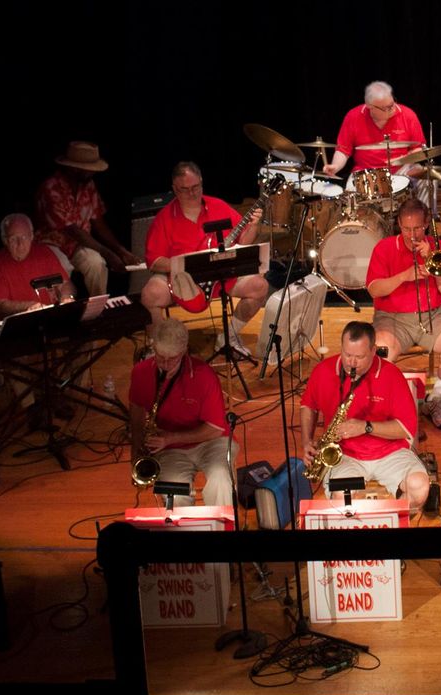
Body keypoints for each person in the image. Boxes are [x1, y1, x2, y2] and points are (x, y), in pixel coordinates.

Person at [301, 321, 429, 514]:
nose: (351, 363)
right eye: (347, 354)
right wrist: (306, 441)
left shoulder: (391, 374)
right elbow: (308, 405)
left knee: (419, 488)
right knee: (341, 499)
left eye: (359, 357)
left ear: (373, 350)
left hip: (389, 452)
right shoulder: (324, 371)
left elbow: (405, 428)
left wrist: (366, 427)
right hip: (345, 455)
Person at [141, 161, 268, 354]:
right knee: (150, 293)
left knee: (259, 286)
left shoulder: (218, 206)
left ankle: (229, 337)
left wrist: (254, 226)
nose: (192, 193)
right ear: (174, 189)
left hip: (220, 276)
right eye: (185, 189)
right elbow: (155, 261)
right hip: (183, 281)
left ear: (201, 182)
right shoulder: (164, 218)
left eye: (196, 187)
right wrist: (185, 265)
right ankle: (162, 347)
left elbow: (242, 242)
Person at [365, 198, 441, 428]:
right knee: (382, 354)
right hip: (391, 318)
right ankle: (391, 406)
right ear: (399, 225)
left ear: (426, 225)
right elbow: (374, 289)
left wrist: (430, 260)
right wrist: (404, 276)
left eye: (417, 228)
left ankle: (434, 401)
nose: (412, 235)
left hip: (433, 315)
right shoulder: (384, 248)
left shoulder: (438, 249)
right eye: (406, 229)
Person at [128, 318, 236, 507]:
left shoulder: (204, 375)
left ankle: (223, 531)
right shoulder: (140, 372)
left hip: (210, 443)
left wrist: (170, 438)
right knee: (174, 494)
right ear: (153, 348)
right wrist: (136, 452)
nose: (166, 364)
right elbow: (136, 415)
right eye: (161, 357)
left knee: (221, 482)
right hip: (170, 450)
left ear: (184, 352)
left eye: (173, 359)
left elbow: (215, 429)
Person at [34, 141, 141, 297]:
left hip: (78, 245)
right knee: (62, 269)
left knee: (96, 263)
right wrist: (108, 253)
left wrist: (121, 250)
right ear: (74, 168)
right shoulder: (51, 188)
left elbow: (98, 222)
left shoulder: (88, 185)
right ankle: (65, 310)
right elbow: (72, 230)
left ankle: (97, 309)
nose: (92, 173)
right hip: (51, 246)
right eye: (89, 170)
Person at [322, 80, 425, 178]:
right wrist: (335, 166)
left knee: (426, 176)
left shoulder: (408, 115)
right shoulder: (353, 116)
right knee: (352, 193)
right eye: (386, 108)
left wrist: (410, 157)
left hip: (401, 169)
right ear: (370, 106)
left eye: (392, 104)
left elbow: (418, 147)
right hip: (366, 172)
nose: (393, 109)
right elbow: (343, 150)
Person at [0, 213, 75, 317]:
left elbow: (65, 284)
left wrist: (66, 297)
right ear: (5, 240)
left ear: (31, 236)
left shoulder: (44, 253)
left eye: (24, 237)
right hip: (16, 321)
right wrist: (31, 306)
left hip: (49, 317)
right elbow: (2, 305)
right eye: (14, 239)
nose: (20, 244)